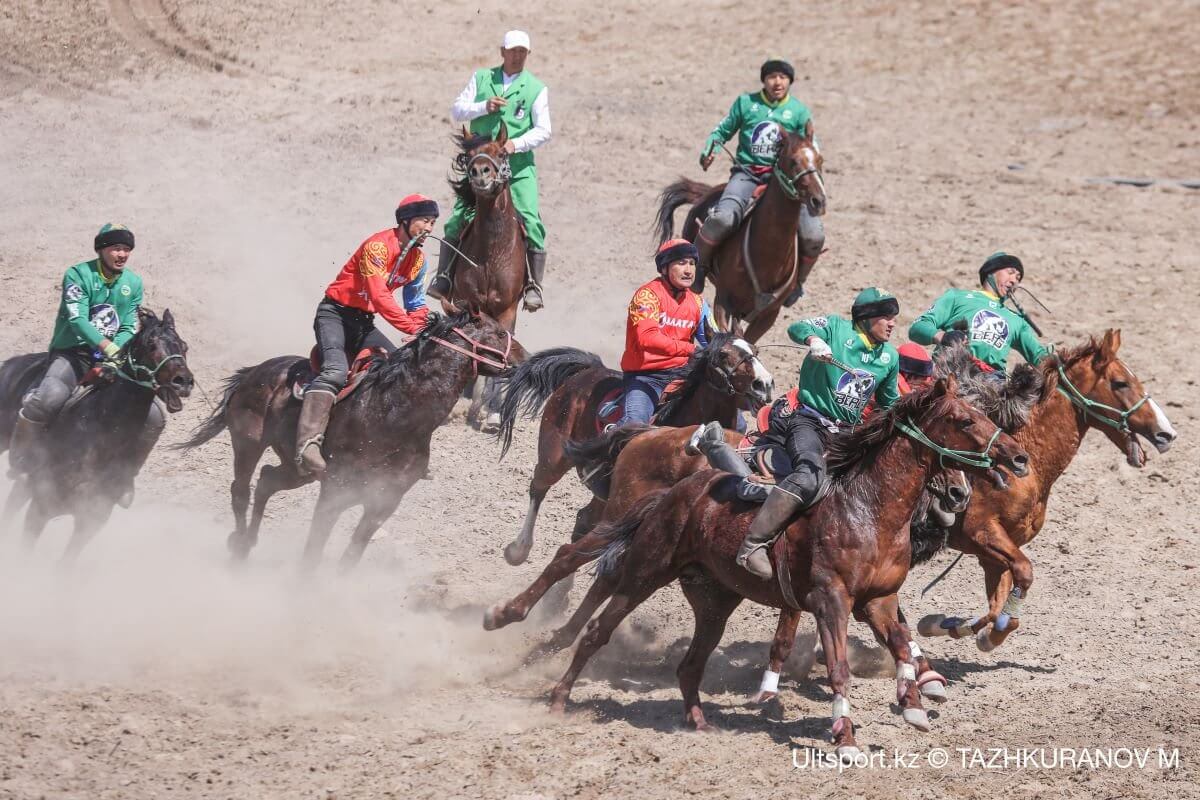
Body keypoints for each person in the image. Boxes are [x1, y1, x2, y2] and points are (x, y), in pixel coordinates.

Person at [689, 288, 901, 580]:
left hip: (847, 434)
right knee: (808, 476)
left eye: (894, 318)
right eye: (886, 317)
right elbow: (796, 327)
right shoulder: (836, 329)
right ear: (866, 319)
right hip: (809, 422)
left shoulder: (889, 357)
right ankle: (752, 546)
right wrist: (814, 340)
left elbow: (889, 403)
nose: (892, 323)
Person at [295, 195, 440, 477]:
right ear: (406, 221)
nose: (430, 229)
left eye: (433, 223)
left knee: (400, 371)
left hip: (364, 323)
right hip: (334, 315)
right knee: (335, 371)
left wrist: (421, 328)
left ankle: (403, 448)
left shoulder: (418, 260)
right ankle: (307, 446)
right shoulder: (377, 246)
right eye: (425, 220)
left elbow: (417, 303)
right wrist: (411, 329)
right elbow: (379, 295)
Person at [9, 224, 157, 499]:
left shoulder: (133, 283)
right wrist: (107, 346)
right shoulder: (78, 274)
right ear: (101, 249)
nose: (122, 254)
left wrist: (116, 351)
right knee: (48, 397)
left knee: (155, 416)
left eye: (126, 249)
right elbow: (77, 320)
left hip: (113, 357)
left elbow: (127, 324)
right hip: (72, 353)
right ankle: (20, 457)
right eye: (116, 248)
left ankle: (124, 477)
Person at [430, 29, 552, 311]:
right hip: (480, 166)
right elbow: (458, 110)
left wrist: (515, 144)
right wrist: (483, 106)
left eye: (523, 51)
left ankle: (533, 285)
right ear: (503, 52)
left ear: (527, 54)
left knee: (532, 222)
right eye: (513, 51)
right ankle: (444, 276)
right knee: (457, 218)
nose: (518, 55)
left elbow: (544, 130)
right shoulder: (482, 78)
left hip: (518, 169)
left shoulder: (536, 88)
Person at [694, 58, 823, 303]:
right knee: (722, 218)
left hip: (786, 183)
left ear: (790, 82)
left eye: (783, 77)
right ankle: (699, 266)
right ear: (764, 80)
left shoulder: (798, 112)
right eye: (772, 77)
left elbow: (811, 147)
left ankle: (797, 284)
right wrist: (711, 148)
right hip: (747, 173)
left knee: (814, 235)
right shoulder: (746, 103)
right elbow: (722, 131)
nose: (777, 82)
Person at [617, 239, 714, 426]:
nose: (688, 270)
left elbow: (713, 341)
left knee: (736, 421)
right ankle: (606, 450)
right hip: (646, 377)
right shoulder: (647, 296)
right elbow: (647, 338)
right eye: (681, 263)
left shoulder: (699, 303)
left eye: (692, 263)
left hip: (684, 376)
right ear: (664, 269)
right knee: (634, 423)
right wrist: (690, 350)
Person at [908, 252, 1050, 378]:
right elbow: (917, 327)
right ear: (991, 271)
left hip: (992, 384)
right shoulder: (957, 297)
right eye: (1011, 272)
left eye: (1019, 278)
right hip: (950, 373)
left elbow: (1040, 357)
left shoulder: (1017, 320)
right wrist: (942, 336)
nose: (1015, 280)